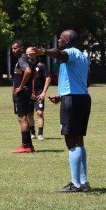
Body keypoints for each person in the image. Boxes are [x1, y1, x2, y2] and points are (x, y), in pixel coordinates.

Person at [34, 30, 91, 192]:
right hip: (81, 98)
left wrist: (44, 51)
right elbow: (84, 81)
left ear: (65, 41)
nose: (58, 40)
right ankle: (83, 181)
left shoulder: (70, 52)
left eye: (60, 38)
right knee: (79, 140)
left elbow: (59, 54)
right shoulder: (82, 55)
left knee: (70, 140)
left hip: (72, 100)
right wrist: (61, 94)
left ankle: (76, 183)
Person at [11, 40, 35, 153]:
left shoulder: (22, 60)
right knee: (23, 117)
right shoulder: (25, 59)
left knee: (22, 118)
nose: (13, 50)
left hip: (22, 93)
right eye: (12, 48)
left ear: (21, 48)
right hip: (24, 92)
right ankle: (29, 145)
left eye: (15, 48)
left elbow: (28, 71)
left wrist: (21, 86)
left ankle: (25, 146)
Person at [27, 47, 51, 141]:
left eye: (32, 53)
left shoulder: (41, 65)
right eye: (28, 54)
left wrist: (44, 92)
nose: (30, 55)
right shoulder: (25, 65)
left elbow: (48, 78)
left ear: (35, 54)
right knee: (29, 113)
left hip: (39, 92)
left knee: (39, 113)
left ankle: (40, 134)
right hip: (28, 93)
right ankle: (32, 133)